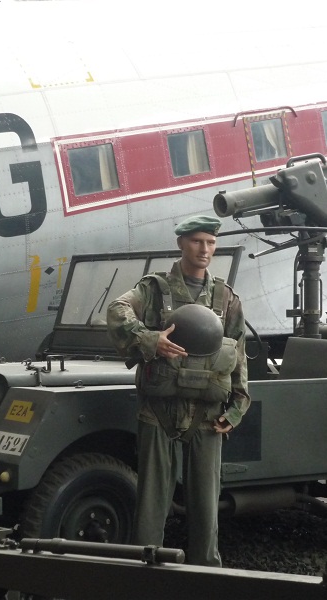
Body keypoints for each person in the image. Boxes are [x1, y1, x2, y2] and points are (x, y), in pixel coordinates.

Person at [106, 215, 249, 567]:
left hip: (208, 416)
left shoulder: (226, 298)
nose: (205, 250)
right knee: (151, 504)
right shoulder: (154, 289)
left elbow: (238, 354)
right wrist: (151, 339)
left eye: (211, 243)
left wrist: (236, 410)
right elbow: (116, 310)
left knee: (205, 505)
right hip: (159, 411)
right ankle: (146, 574)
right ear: (181, 243)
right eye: (197, 241)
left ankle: (204, 576)